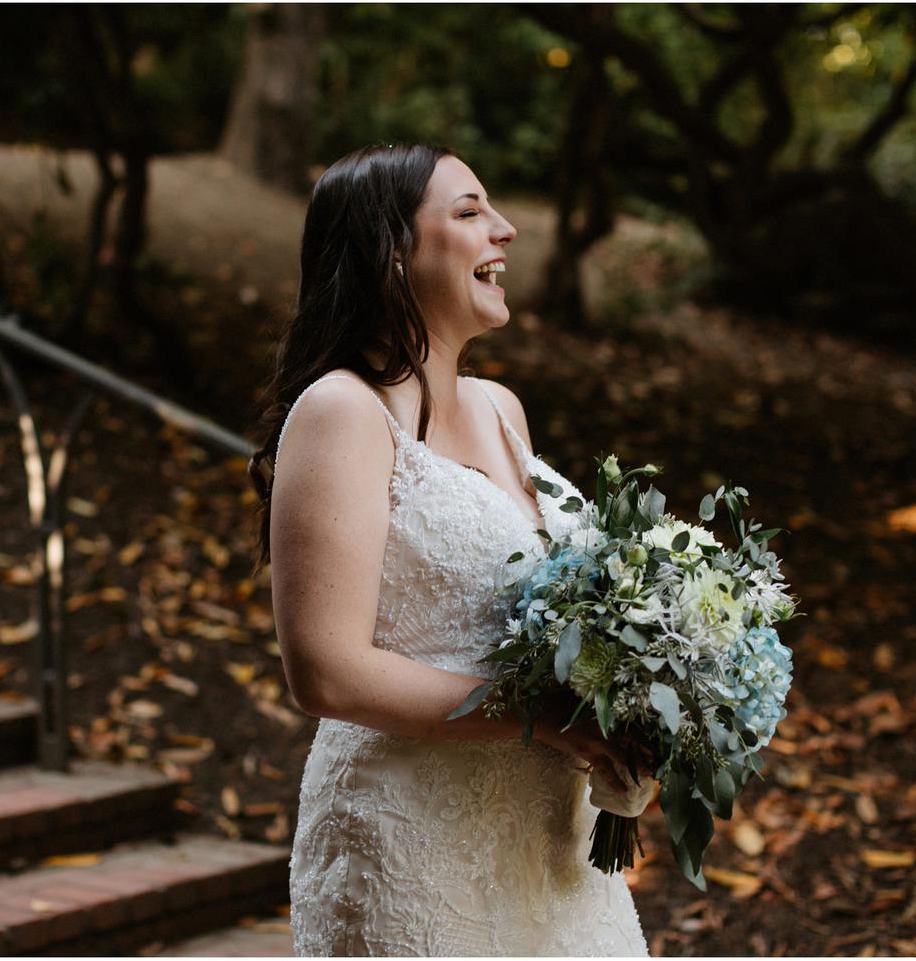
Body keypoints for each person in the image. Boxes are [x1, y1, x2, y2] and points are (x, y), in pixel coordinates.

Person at [246, 143, 651, 956]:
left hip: (548, 850)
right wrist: (539, 719)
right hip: (411, 843)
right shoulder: (342, 412)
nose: (503, 230)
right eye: (468, 213)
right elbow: (324, 670)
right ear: (392, 251)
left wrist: (629, 708)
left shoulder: (502, 409)